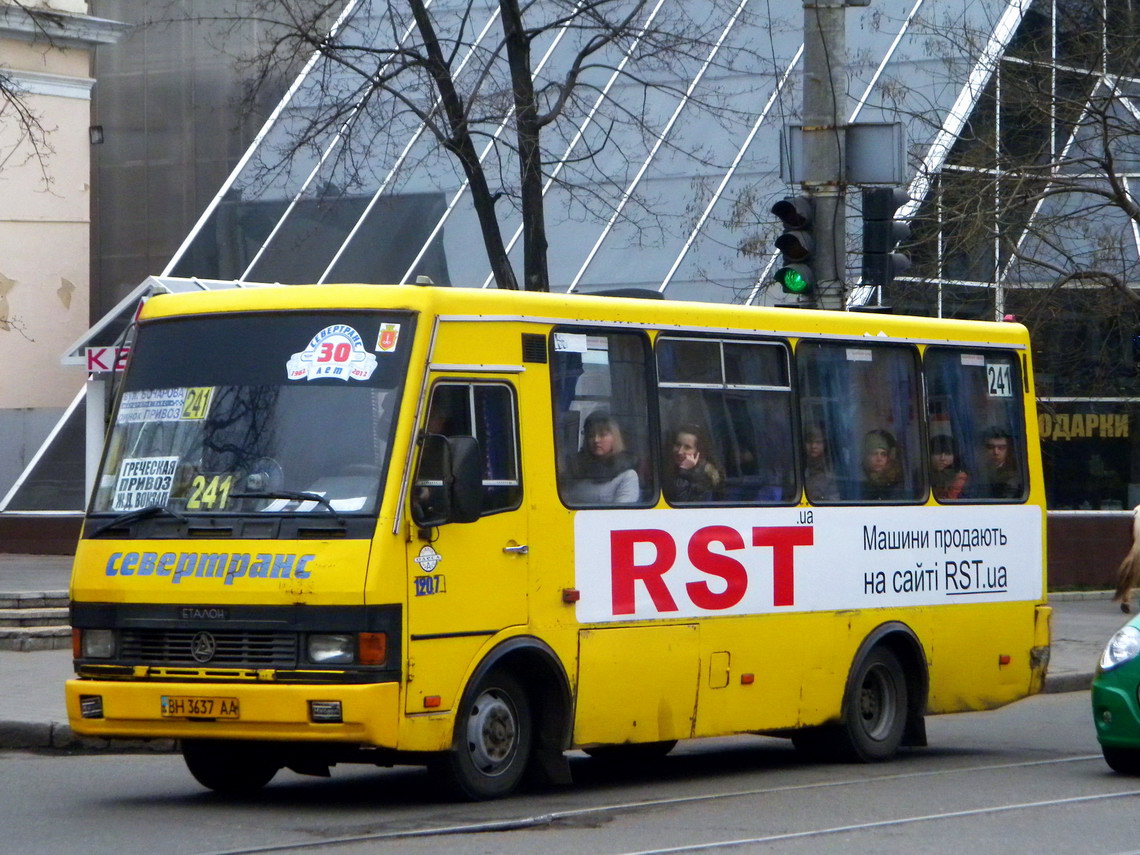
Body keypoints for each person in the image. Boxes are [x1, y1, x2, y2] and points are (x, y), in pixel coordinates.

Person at [560, 410, 640, 504]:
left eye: (602, 435)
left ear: (614, 437)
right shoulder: (576, 467)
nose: (596, 440)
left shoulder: (627, 475)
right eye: (591, 435)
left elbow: (622, 515)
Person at [664, 423, 723, 503]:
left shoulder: (705, 477)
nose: (680, 452)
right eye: (678, 445)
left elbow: (680, 502)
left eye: (687, 447)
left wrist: (684, 472)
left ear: (698, 452)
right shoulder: (668, 468)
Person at [861, 429, 905, 500]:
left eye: (883, 454)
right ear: (866, 457)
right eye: (874, 454)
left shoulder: (897, 485)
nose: (879, 459)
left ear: (888, 458)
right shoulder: (859, 483)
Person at [981, 426, 1022, 499]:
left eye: (1001, 448)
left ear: (1008, 450)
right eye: (991, 447)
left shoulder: (1014, 476)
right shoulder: (977, 472)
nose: (996, 452)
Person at [803, 424, 838, 502]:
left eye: (818, 442)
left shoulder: (831, 468)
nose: (813, 446)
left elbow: (834, 500)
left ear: (824, 444)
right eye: (809, 442)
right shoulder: (798, 468)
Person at [930, 434, 968, 501]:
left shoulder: (960, 476)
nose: (942, 458)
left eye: (948, 454)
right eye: (937, 453)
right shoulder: (922, 475)